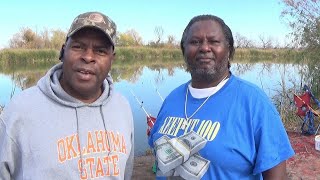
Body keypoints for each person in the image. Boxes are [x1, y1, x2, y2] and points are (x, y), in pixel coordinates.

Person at [148, 14, 294, 179]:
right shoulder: (171, 99)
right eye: (195, 42)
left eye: (214, 41)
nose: (204, 48)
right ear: (184, 50)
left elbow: (276, 173)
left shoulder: (254, 102)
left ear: (229, 50)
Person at [0, 11, 134, 179]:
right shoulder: (20, 111)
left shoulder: (122, 107)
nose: (88, 57)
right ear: (63, 51)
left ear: (112, 59)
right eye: (78, 46)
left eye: (100, 51)